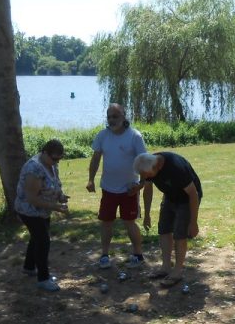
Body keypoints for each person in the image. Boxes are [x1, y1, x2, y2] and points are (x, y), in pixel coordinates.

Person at [87, 104, 148, 270]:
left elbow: (143, 160)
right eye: (109, 117)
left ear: (123, 117)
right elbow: (95, 159)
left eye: (115, 116)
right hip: (108, 188)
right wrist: (91, 179)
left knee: (130, 222)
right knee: (106, 222)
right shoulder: (102, 136)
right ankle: (105, 255)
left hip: (129, 189)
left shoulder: (134, 136)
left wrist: (140, 184)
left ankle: (138, 254)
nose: (112, 120)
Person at [133, 151, 202, 287]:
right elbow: (147, 190)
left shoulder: (176, 168)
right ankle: (165, 267)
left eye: (146, 175)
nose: (144, 177)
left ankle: (177, 271)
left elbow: (193, 194)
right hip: (170, 196)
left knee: (180, 234)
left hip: (187, 199)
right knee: (164, 229)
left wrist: (193, 223)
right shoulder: (148, 164)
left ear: (157, 167)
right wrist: (146, 215)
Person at [15, 139, 69, 292]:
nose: (56, 161)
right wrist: (57, 207)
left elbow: (54, 183)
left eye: (59, 158)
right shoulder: (34, 169)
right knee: (43, 241)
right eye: (54, 158)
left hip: (43, 211)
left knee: (37, 237)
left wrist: (60, 196)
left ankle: (29, 267)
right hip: (29, 211)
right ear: (44, 153)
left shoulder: (51, 165)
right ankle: (43, 279)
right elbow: (32, 199)